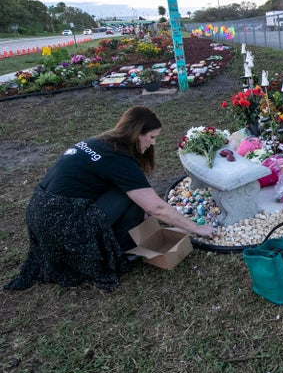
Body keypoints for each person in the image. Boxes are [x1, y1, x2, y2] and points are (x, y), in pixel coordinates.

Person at [5, 106, 213, 291]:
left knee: (131, 195)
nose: (153, 143)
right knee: (131, 197)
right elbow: (156, 208)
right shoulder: (119, 159)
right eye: (151, 137)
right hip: (63, 224)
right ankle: (120, 250)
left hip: (39, 214)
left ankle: (118, 241)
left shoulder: (99, 143)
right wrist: (196, 228)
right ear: (136, 133)